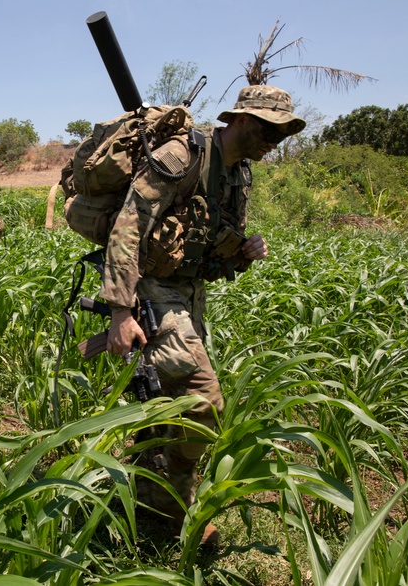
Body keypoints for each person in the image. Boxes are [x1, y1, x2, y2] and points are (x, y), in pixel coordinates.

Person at [100, 84, 306, 544]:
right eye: (271, 128)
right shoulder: (182, 155)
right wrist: (119, 310)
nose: (277, 139)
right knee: (201, 402)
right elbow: (127, 227)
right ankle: (173, 510)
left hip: (189, 295)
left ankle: (145, 483)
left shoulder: (240, 175)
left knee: (166, 398)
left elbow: (213, 251)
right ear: (241, 120)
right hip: (150, 289)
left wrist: (244, 252)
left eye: (286, 131)